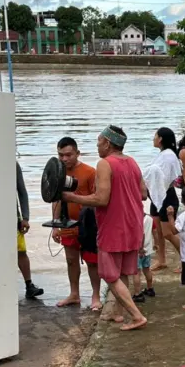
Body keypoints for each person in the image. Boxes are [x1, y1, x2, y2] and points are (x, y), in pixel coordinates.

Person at [64, 125, 148, 331]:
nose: (97, 146)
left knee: (108, 274)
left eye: (99, 142)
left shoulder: (104, 163)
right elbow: (143, 194)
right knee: (123, 272)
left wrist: (72, 197)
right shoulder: (132, 162)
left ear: (108, 143)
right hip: (134, 223)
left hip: (114, 225)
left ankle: (137, 316)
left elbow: (101, 199)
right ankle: (117, 313)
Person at [51, 137, 102, 311]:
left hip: (87, 224)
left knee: (92, 261)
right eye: (61, 155)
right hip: (67, 224)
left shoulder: (90, 172)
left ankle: (96, 296)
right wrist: (55, 226)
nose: (64, 159)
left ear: (77, 153)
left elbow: (98, 198)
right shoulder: (58, 173)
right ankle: (74, 294)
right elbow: (56, 200)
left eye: (68, 155)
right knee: (71, 260)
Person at [144, 127, 183, 271]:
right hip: (156, 197)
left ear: (160, 139)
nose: (153, 138)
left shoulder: (168, 156)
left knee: (168, 233)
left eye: (155, 135)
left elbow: (165, 179)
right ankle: (162, 260)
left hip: (167, 197)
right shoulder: (163, 154)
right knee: (159, 233)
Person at [16, 161, 44, 300]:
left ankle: (29, 285)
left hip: (13, 217)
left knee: (21, 251)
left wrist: (25, 217)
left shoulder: (12, 164)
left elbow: (22, 192)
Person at [134, 200, 156, 303]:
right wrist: (156, 243)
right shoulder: (150, 219)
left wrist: (140, 249)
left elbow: (141, 235)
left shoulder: (136, 220)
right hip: (148, 249)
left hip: (138, 250)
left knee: (136, 272)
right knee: (147, 269)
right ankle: (150, 289)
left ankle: (137, 294)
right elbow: (154, 231)